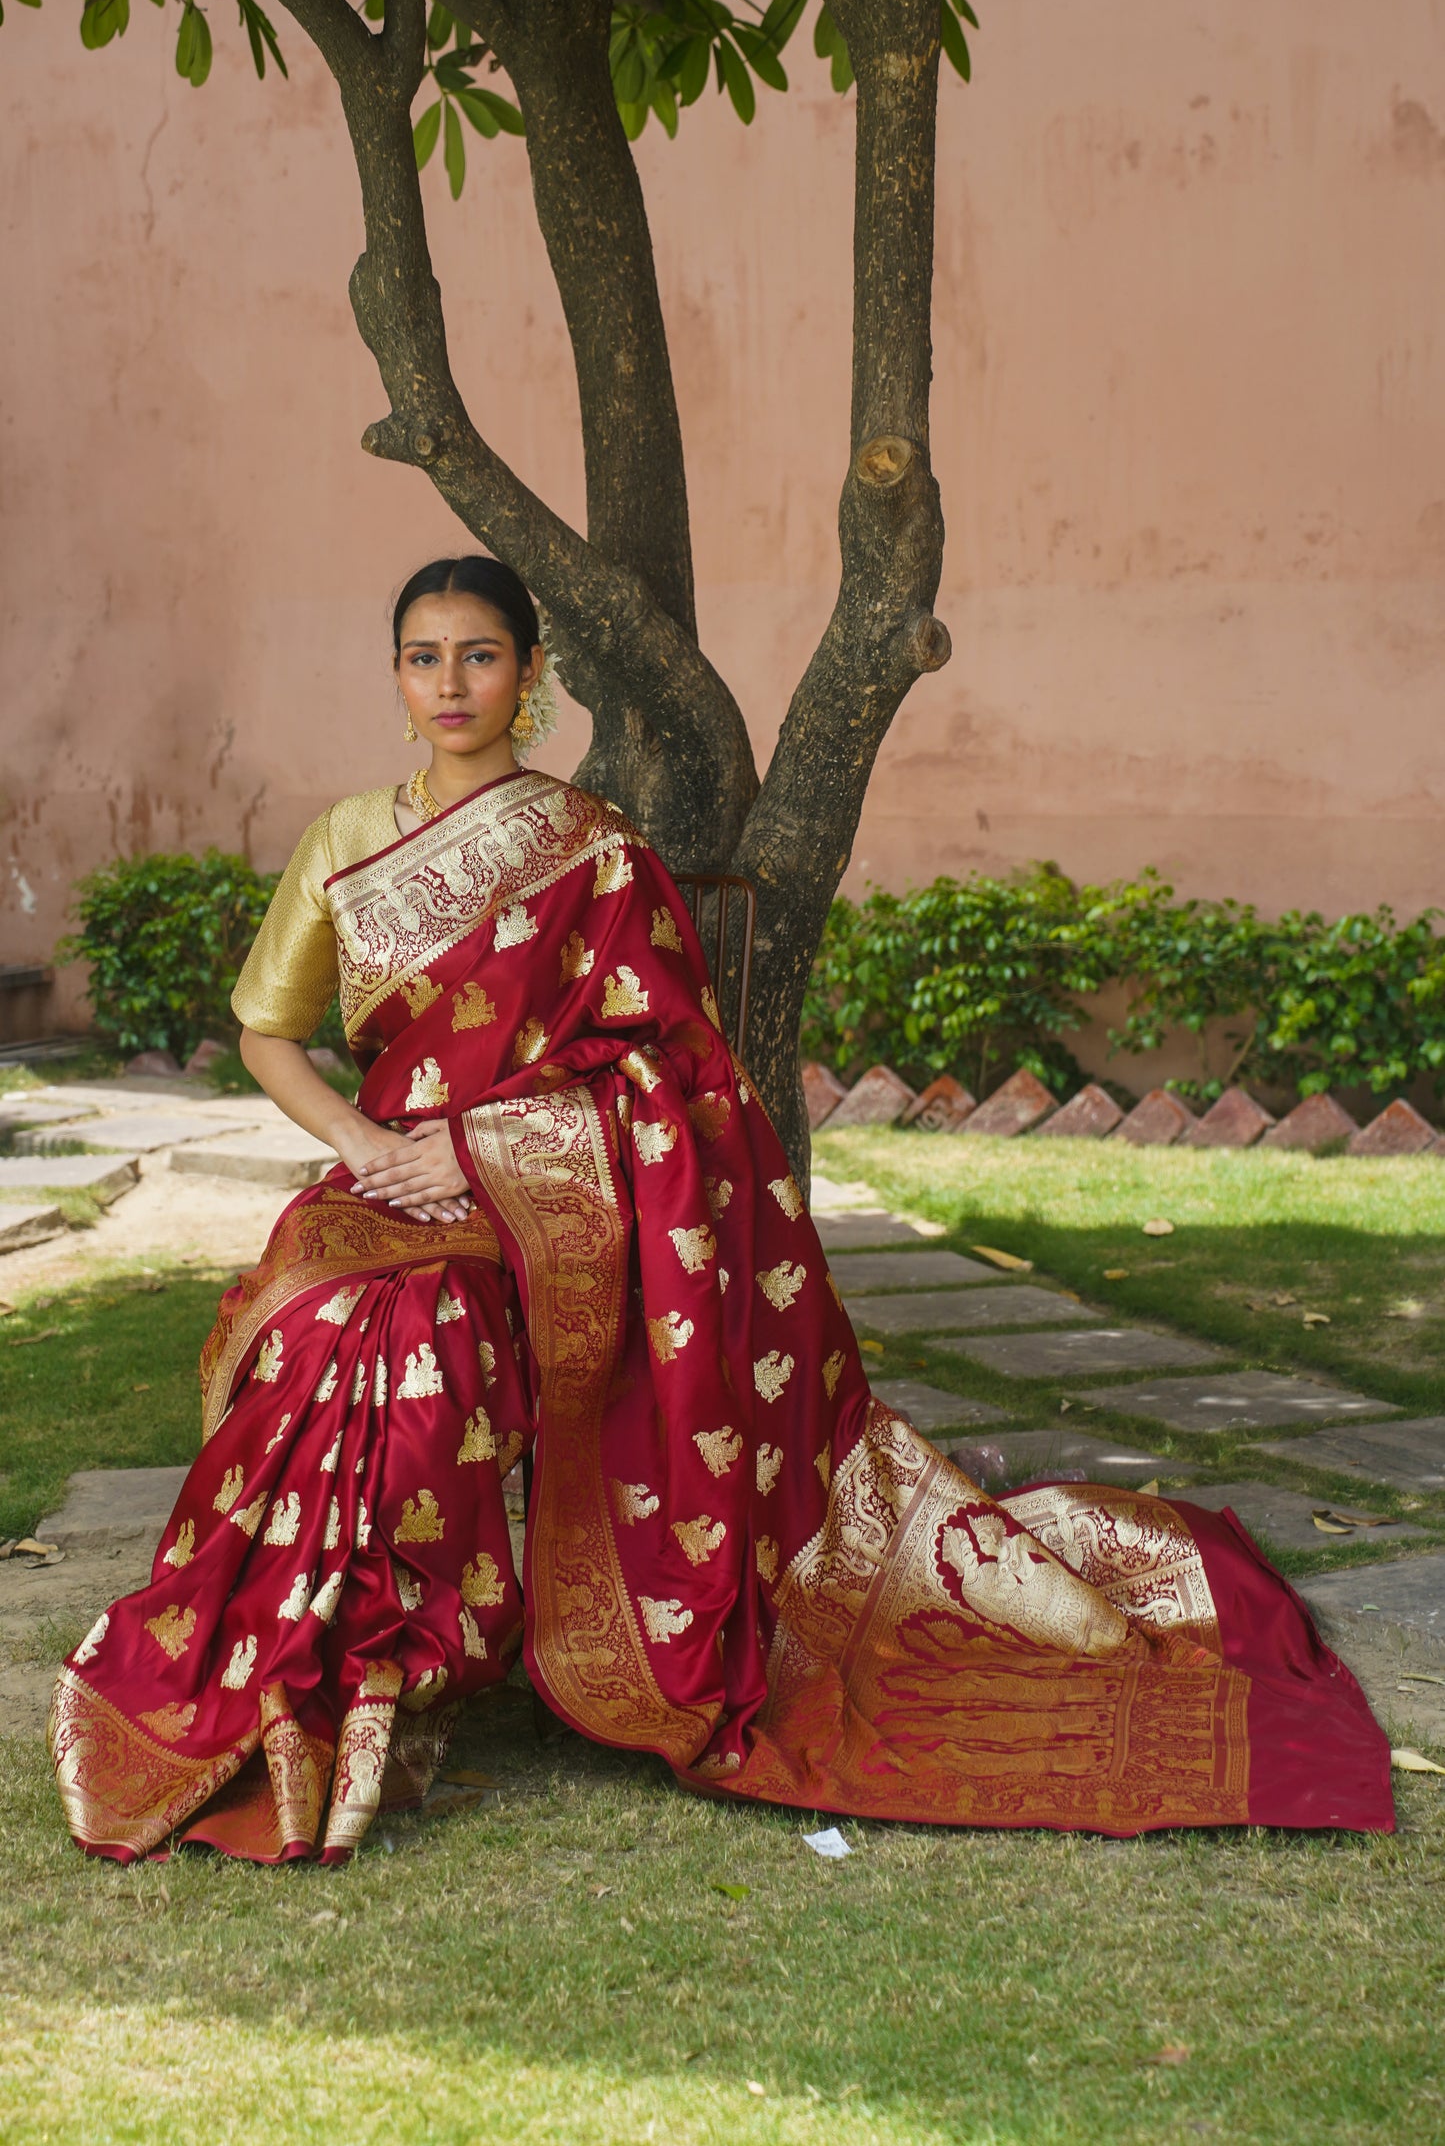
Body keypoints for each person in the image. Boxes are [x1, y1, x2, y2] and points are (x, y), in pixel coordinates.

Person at [50, 556, 1393, 1863]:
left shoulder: (591, 852)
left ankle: (391, 1674)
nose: (448, 682)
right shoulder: (345, 842)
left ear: (526, 678)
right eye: (422, 657)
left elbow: (671, 1071)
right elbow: (266, 1032)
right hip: (387, 1177)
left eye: (478, 655)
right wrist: (369, 1143)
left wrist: (485, 1150)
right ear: (395, 676)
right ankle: (299, 1663)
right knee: (319, 1325)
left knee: (419, 1342)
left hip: (541, 1202)